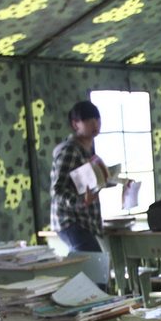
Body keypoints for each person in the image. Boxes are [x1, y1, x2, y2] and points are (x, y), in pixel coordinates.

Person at [50, 100, 109, 253]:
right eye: (89, 120)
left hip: (84, 222)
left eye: (97, 119)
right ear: (76, 124)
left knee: (94, 268)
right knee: (95, 269)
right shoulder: (70, 150)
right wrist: (80, 201)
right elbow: (57, 189)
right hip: (70, 221)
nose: (95, 124)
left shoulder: (87, 151)